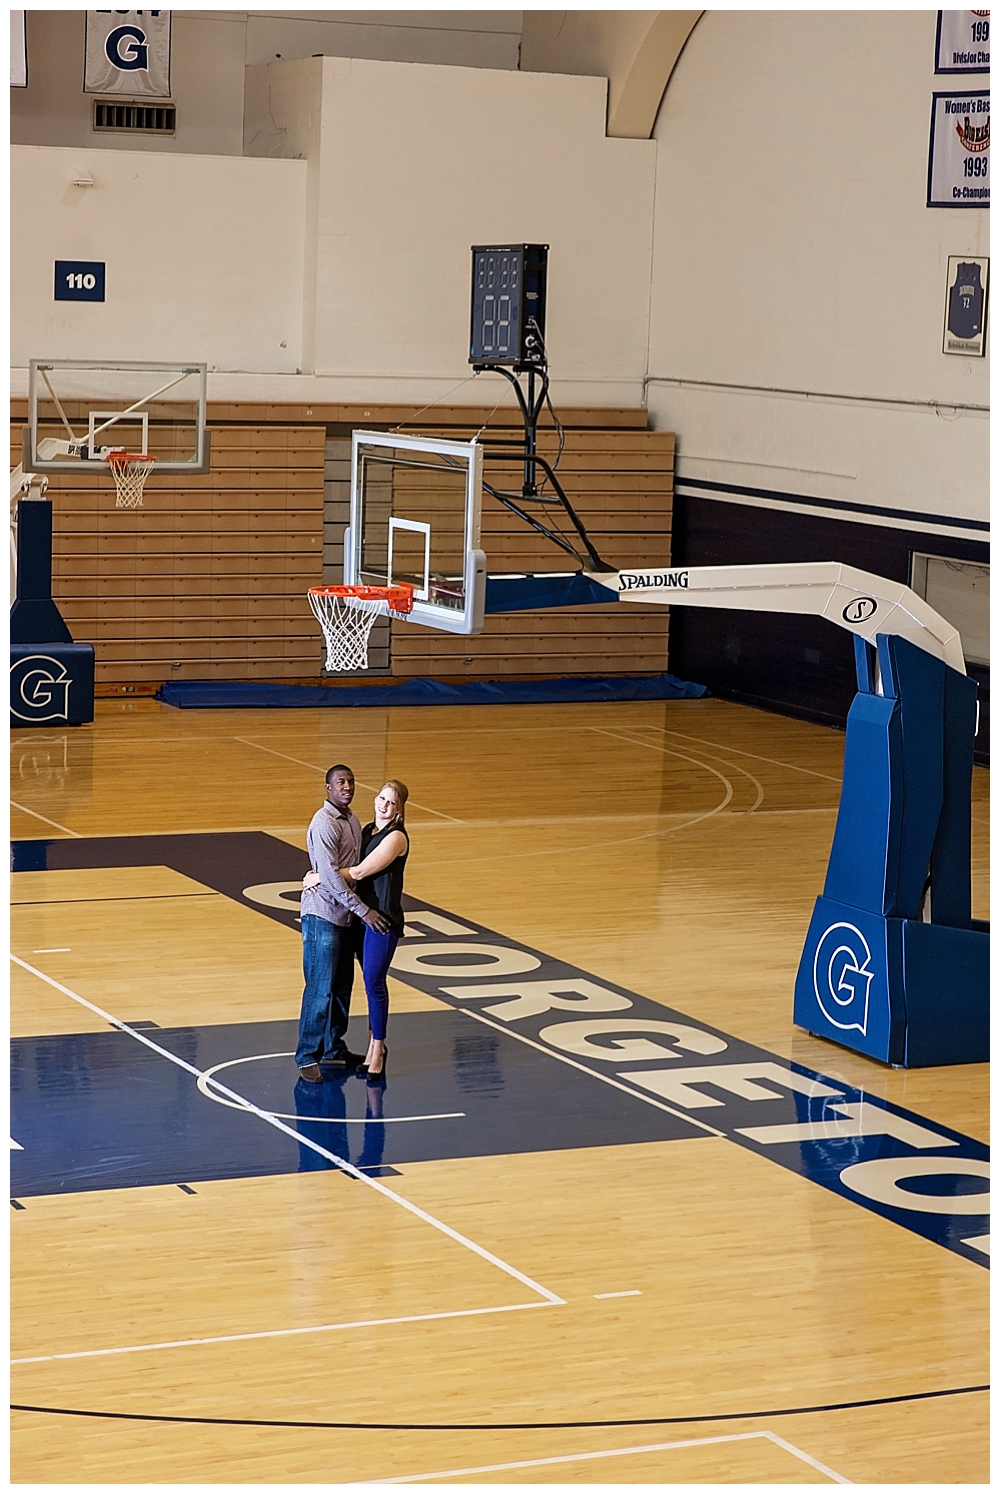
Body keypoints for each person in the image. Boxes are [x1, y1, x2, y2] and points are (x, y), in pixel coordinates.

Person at [303, 779, 409, 1081]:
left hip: (381, 920)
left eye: (391, 801)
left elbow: (361, 871)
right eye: (381, 798)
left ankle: (378, 1050)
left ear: (400, 809)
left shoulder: (396, 838)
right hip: (360, 919)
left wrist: (321, 876)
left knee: (374, 983)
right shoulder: (366, 831)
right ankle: (340, 1046)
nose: (384, 804)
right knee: (348, 982)